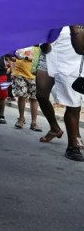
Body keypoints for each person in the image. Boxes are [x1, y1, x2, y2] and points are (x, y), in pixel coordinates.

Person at [48, 26, 84, 161]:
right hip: (68, 70)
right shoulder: (60, 25)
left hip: (77, 68)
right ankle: (72, 147)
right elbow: (80, 49)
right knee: (73, 107)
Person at [11, 47, 40, 131]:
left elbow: (37, 59)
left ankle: (34, 122)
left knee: (34, 98)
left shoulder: (37, 45)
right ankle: (21, 119)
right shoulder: (18, 45)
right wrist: (13, 71)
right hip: (19, 74)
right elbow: (12, 59)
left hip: (33, 75)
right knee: (21, 96)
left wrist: (24, 57)